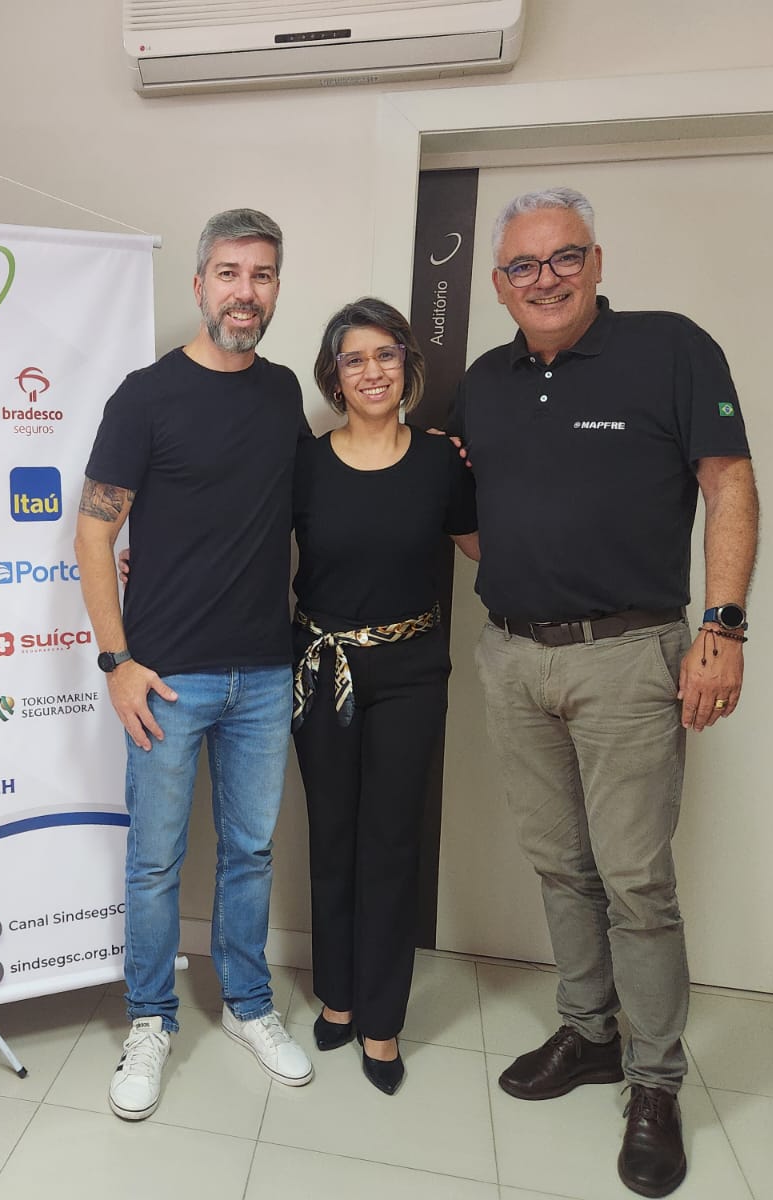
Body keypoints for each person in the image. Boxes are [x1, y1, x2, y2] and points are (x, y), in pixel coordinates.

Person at [451, 187, 758, 1197]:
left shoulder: (672, 349)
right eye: (522, 266)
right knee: (559, 865)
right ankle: (588, 1034)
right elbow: (466, 508)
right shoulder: (482, 382)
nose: (544, 278)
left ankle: (654, 1082)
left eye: (563, 257)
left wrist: (721, 628)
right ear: (499, 283)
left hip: (630, 658)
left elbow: (729, 483)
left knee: (635, 880)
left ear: (594, 260)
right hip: (512, 656)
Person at [75, 207, 313, 1122]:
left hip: (264, 673)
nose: (245, 292)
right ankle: (150, 1019)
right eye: (228, 273)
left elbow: (317, 495)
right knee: (155, 863)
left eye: (262, 275)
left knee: (249, 853)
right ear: (200, 284)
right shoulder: (146, 396)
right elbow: (94, 533)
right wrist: (117, 661)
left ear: (276, 287)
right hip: (166, 678)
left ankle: (249, 1004)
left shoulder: (283, 392)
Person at [290, 298, 479, 1096]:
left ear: (407, 366)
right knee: (331, 835)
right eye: (355, 359)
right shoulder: (303, 463)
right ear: (334, 376)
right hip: (319, 668)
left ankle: (381, 1019)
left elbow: (486, 549)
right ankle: (336, 997)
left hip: (411, 671)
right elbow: (237, 542)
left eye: (386, 355)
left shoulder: (441, 462)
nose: (372, 372)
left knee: (391, 843)